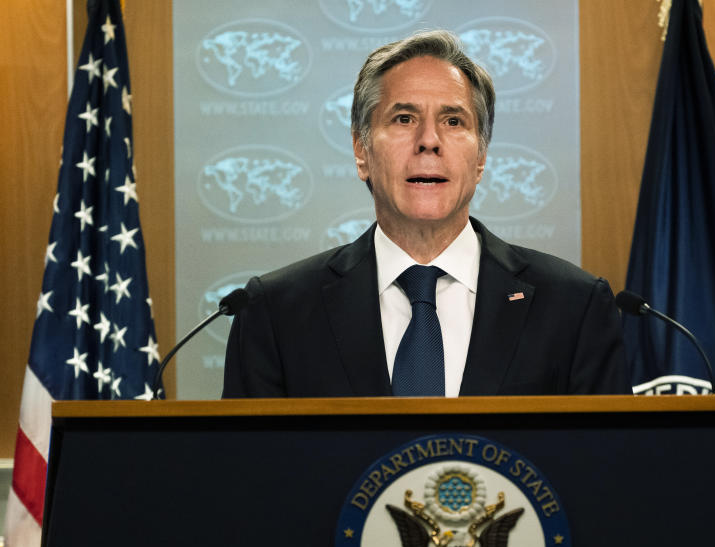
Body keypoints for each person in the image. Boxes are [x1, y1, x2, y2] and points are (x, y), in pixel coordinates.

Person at [222, 30, 629, 398]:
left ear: (481, 156)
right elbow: (250, 474)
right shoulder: (275, 314)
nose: (429, 141)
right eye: (404, 119)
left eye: (453, 121)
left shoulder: (574, 308)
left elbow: (604, 470)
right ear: (361, 150)